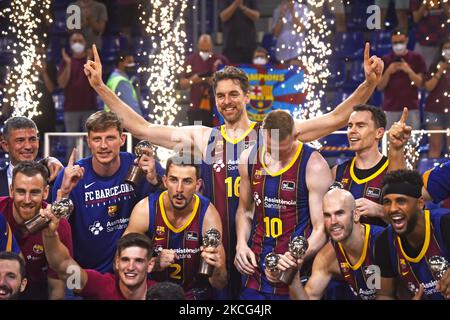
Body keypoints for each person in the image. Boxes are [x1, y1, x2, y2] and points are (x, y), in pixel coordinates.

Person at [83, 42, 384, 299]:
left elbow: (332, 119)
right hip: (215, 249)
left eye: (233, 94)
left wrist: (368, 84)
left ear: (247, 96)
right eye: (221, 96)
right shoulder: (204, 138)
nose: (226, 101)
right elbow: (142, 127)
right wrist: (98, 87)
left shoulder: (271, 134)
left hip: (259, 248)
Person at [235, 110, 332, 299]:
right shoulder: (248, 158)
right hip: (256, 268)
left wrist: (297, 256)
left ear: (296, 135)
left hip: (295, 271)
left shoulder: (314, 165)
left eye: (282, 148)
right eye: (271, 148)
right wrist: (240, 244)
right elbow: (245, 211)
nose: (276, 154)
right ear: (263, 133)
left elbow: (321, 228)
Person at [52, 111, 164, 273]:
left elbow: (167, 209)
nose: (103, 146)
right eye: (97, 139)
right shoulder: (71, 176)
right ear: (88, 141)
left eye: (110, 138)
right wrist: (65, 192)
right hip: (85, 274)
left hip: (132, 272)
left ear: (122, 139)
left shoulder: (141, 167)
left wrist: (155, 181)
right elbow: (55, 230)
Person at [124, 153, 227, 299]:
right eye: (173, 180)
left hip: (194, 295)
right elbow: (120, 265)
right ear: (165, 181)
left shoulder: (208, 215)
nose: (179, 189)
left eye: (187, 181)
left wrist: (217, 268)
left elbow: (220, 283)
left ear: (197, 185)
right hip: (153, 293)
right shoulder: (145, 210)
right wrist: (153, 262)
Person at [266, 188, 384, 300]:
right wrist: (293, 278)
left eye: (339, 213)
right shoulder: (328, 256)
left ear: (356, 215)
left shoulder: (382, 242)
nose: (333, 222)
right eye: (327, 215)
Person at [41, 209, 156, 300]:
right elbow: (63, 267)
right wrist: (50, 235)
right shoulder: (101, 286)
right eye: (125, 260)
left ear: (150, 265)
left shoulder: (161, 293)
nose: (131, 267)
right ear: (117, 263)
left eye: (138, 261)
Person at [0, 161, 73, 299]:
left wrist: (50, 234)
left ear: (45, 192)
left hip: (39, 292)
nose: (27, 200)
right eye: (21, 191)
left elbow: (57, 286)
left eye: (34, 192)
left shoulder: (59, 226)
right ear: (11, 190)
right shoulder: (0, 212)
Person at [375, 170, 450, 300]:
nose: (392, 209)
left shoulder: (445, 223)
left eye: (401, 201)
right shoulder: (383, 242)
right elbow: (384, 294)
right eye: (387, 202)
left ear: (420, 203)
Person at [333, 105, 388, 226]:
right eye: (350, 125)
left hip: (382, 244)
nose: (352, 130)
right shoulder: (338, 172)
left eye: (360, 125)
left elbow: (411, 220)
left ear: (379, 133)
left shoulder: (392, 171)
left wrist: (380, 211)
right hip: (344, 245)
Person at [0, 116, 63, 197]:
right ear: (5, 145)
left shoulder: (52, 175)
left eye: (32, 139)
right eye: (20, 140)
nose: (28, 146)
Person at [377, 28, 426, 130]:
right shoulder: (385, 60)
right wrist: (388, 72)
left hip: (411, 108)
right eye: (395, 42)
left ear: (407, 40)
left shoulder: (417, 58)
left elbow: (420, 84)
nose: (398, 45)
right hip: (390, 109)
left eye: (401, 42)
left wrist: (408, 70)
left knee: (411, 143)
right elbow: (380, 86)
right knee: (389, 143)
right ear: (391, 42)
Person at [57, 31, 97, 149]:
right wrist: (69, 63)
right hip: (71, 109)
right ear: (70, 44)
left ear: (85, 43)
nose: (77, 44)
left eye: (80, 41)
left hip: (89, 108)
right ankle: (72, 167)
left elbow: (94, 82)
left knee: (90, 143)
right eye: (74, 41)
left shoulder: (91, 61)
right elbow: (62, 83)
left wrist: (89, 59)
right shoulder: (65, 62)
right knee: (71, 144)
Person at [179, 34, 229, 127]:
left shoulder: (220, 60)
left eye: (207, 50)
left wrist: (215, 81)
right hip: (197, 108)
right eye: (202, 50)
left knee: (214, 136)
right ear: (198, 46)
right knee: (197, 136)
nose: (205, 52)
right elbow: (183, 84)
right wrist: (194, 80)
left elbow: (230, 81)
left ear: (212, 46)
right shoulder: (191, 60)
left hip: (217, 108)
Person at [423, 38, 450, 158]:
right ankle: (432, 175)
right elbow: (428, 87)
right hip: (434, 111)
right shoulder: (434, 67)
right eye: (446, 48)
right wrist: (439, 71)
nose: (448, 51)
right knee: (435, 146)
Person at [411, 0, 450, 69]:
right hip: (424, 42)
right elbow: (416, 18)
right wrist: (425, 2)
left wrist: (443, 2)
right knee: (424, 71)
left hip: (443, 43)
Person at [106, 51, 143, 117]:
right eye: (129, 62)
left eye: (132, 62)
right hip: (123, 120)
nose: (132, 65)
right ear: (120, 64)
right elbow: (132, 106)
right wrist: (141, 121)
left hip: (113, 118)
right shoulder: (121, 81)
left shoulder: (113, 76)